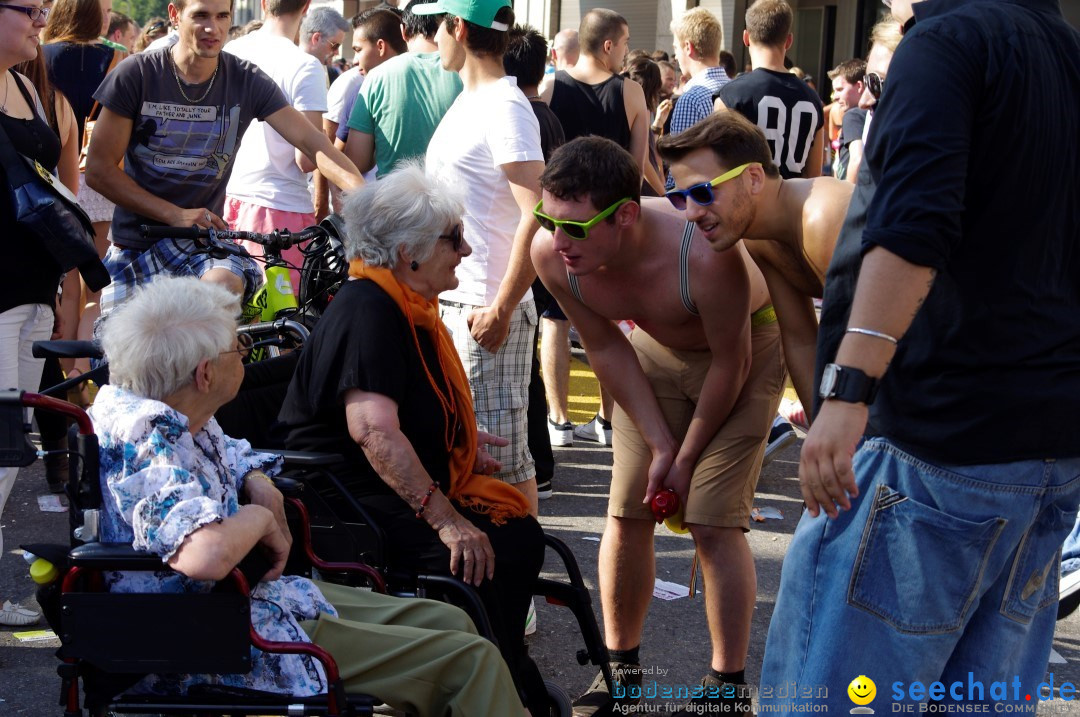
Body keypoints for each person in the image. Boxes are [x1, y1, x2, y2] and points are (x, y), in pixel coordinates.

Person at [760, 0, 1080, 710]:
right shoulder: (1063, 49)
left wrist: (845, 394)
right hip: (1043, 450)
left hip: (934, 442)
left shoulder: (948, 41)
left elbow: (914, 224)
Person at [91, 276, 525, 717]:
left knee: (449, 619)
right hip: (213, 635)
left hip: (247, 600)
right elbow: (205, 554)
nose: (244, 352)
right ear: (205, 374)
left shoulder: (185, 415)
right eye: (236, 345)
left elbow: (233, 456)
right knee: (473, 662)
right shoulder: (150, 437)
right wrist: (260, 521)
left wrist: (259, 482)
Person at [278, 165, 548, 714]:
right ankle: (479, 680)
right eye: (454, 239)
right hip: (343, 501)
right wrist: (447, 520)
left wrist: (462, 440)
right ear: (409, 253)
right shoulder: (369, 310)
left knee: (515, 533)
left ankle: (494, 673)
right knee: (493, 546)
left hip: (364, 488)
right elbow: (372, 430)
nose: (467, 250)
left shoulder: (405, 307)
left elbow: (412, 408)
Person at [531, 136, 782, 716]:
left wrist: (687, 457)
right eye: (547, 219)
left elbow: (732, 362)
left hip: (745, 347)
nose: (557, 240)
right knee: (628, 506)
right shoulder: (554, 256)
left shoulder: (702, 254)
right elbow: (604, 347)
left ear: (624, 217)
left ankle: (726, 688)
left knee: (711, 518)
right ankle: (620, 676)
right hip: (655, 348)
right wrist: (660, 442)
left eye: (574, 226)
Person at [85, 0, 363, 315]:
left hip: (204, 245)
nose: (212, 28)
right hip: (137, 243)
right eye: (200, 15)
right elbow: (99, 169)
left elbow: (314, 145)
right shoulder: (137, 73)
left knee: (222, 290)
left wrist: (366, 195)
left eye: (222, 17)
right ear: (175, 15)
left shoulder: (244, 78)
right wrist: (175, 214)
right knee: (125, 356)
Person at [418, 0, 545, 516]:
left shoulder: (504, 106)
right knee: (467, 461)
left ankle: (518, 595)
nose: (432, 39)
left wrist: (502, 307)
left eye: (435, 27)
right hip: (459, 307)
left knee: (504, 468)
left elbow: (540, 215)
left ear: (455, 28)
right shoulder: (472, 99)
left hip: (484, 311)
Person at [658, 111, 852, 419]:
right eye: (681, 199)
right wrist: (820, 430)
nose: (692, 213)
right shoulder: (758, 237)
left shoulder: (821, 218)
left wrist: (842, 439)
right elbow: (800, 339)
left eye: (702, 192)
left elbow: (864, 341)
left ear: (754, 178)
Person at [0, 0, 66, 627]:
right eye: (31, 9)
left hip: (35, 293)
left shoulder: (24, 81)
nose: (42, 21)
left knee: (7, 448)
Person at [223, 0, 331, 292]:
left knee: (230, 316)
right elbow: (307, 159)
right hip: (280, 211)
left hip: (226, 200)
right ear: (306, 6)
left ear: (263, 3)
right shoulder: (306, 65)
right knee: (278, 322)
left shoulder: (231, 50)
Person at [44, 0, 125, 385]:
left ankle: (62, 372)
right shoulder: (114, 59)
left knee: (65, 284)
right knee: (98, 282)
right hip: (97, 176)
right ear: (95, 16)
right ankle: (83, 371)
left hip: (53, 176)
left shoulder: (40, 56)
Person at [503, 23, 564, 506]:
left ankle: (537, 461)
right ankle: (540, 461)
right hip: (537, 251)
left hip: (521, 254)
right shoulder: (545, 115)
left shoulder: (520, 116)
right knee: (529, 365)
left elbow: (534, 202)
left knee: (525, 369)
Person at [714, 0, 823, 180]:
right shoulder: (813, 99)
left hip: (749, 204)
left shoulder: (730, 96)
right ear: (788, 41)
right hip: (794, 204)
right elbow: (814, 174)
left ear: (746, 38)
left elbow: (719, 166)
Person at [666, 8, 729, 159]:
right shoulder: (736, 90)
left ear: (688, 47)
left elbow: (681, 165)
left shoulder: (692, 99)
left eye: (676, 48)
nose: (675, 57)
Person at [826, 58, 865, 181]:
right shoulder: (873, 115)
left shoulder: (853, 116)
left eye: (840, 90)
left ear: (859, 86)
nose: (835, 97)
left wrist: (848, 195)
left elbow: (857, 159)